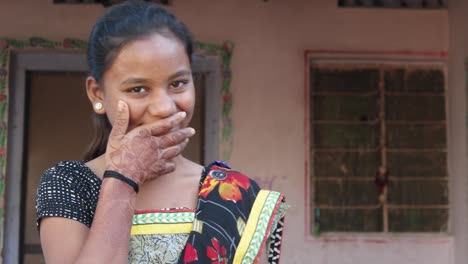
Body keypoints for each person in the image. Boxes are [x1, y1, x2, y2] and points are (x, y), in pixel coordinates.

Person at [35, 0, 287, 263]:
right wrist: (123, 178)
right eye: (138, 89)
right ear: (97, 94)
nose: (164, 107)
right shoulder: (70, 185)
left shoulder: (233, 193)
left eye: (178, 83)